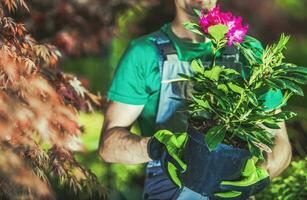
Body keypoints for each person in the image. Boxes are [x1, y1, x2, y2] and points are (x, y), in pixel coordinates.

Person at [98, 0, 292, 199]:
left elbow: (279, 141)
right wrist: (156, 148)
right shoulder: (144, 54)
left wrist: (260, 174)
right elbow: (108, 146)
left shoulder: (250, 53)